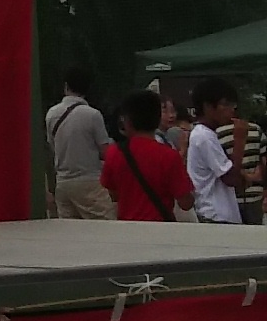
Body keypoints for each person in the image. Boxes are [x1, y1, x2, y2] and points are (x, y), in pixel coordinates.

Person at [102, 87, 191, 225]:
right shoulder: (169, 156)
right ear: (157, 119)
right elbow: (186, 203)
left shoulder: (114, 153)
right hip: (160, 229)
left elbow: (114, 195)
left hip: (126, 228)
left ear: (127, 121)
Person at [45, 69, 115, 222]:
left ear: (65, 86)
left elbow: (52, 147)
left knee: (71, 234)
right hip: (89, 182)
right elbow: (105, 151)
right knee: (106, 228)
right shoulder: (92, 115)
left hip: (62, 183)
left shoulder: (51, 113)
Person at [186, 80, 243, 226]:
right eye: (225, 104)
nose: (231, 110)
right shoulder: (204, 137)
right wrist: (239, 140)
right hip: (216, 215)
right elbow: (231, 179)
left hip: (216, 213)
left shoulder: (206, 134)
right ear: (208, 107)